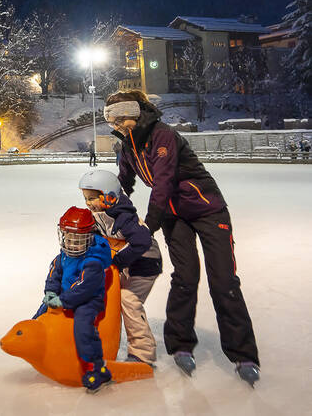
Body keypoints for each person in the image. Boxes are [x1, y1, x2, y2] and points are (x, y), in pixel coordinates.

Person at [104, 89, 260, 386]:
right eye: (108, 118)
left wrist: (147, 226)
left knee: (224, 280)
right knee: (185, 277)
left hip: (208, 210)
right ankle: (180, 345)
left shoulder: (162, 136)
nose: (112, 123)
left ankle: (243, 354)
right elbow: (122, 183)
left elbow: (163, 183)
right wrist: (104, 205)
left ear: (131, 114)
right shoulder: (127, 146)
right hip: (174, 216)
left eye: (115, 116)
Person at [79, 169, 162, 365]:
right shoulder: (100, 213)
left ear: (110, 196)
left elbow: (141, 242)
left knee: (128, 301)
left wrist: (115, 262)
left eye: (93, 198)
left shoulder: (124, 217)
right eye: (86, 198)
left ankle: (143, 354)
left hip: (145, 265)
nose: (88, 203)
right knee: (106, 297)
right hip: (127, 264)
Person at [34, 206, 113, 392]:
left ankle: (97, 367)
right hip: (65, 296)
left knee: (82, 326)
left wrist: (64, 301)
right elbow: (54, 273)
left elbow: (84, 287)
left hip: (88, 300)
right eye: (68, 239)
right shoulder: (63, 256)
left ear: (88, 238)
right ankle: (38, 347)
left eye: (77, 240)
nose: (71, 244)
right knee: (40, 314)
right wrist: (51, 292)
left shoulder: (92, 261)